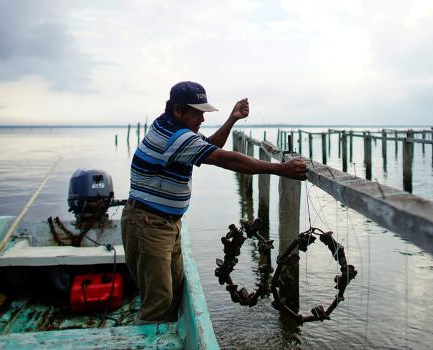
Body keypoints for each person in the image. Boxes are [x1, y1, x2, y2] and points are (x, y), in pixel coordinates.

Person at [121, 81, 307, 323]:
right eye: (197, 113)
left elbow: (208, 146)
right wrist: (280, 168)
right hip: (149, 225)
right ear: (178, 110)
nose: (202, 118)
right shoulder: (174, 137)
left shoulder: (170, 124)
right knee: (158, 304)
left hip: (164, 224)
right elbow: (225, 159)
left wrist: (232, 119)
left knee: (174, 295)